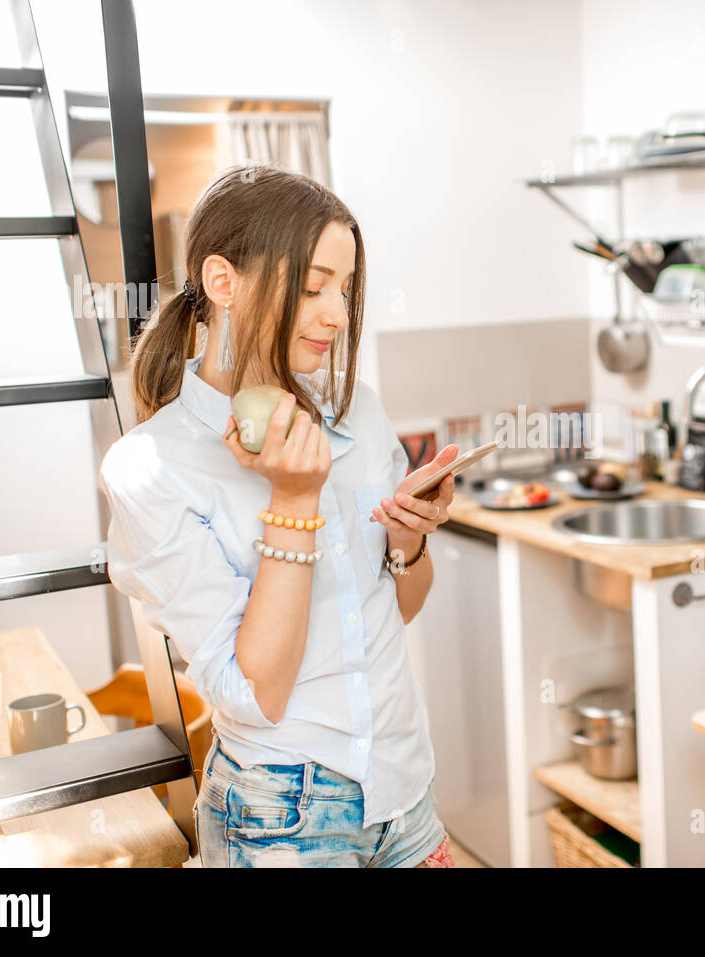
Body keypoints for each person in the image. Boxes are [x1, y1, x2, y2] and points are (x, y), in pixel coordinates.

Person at [98, 165, 458, 867]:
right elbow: (257, 692)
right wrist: (293, 504)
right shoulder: (151, 467)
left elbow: (400, 608)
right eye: (314, 283)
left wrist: (408, 545)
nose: (336, 312)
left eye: (346, 288)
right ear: (223, 282)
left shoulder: (358, 410)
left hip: (404, 790)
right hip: (282, 818)